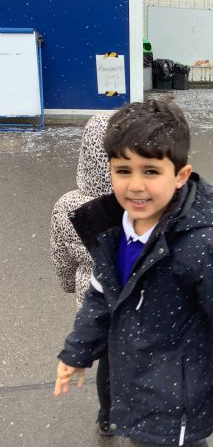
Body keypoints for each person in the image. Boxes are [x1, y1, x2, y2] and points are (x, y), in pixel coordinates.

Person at [54, 98, 213, 446]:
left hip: (177, 406)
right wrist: (77, 352)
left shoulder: (206, 246)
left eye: (151, 171)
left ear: (180, 176)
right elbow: (99, 300)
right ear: (109, 170)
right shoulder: (114, 234)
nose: (135, 185)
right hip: (135, 390)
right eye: (123, 171)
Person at [50, 113, 114, 435]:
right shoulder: (138, 201)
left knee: (108, 362)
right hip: (138, 306)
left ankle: (107, 416)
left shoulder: (67, 206)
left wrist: (67, 284)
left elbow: (62, 257)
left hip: (91, 300)